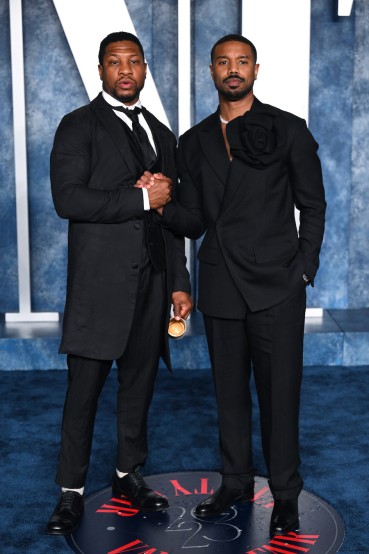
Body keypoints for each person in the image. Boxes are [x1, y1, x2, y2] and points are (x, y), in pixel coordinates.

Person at [159, 34, 326, 536]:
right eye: (223, 62)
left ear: (256, 69)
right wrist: (161, 203)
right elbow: (192, 220)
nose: (233, 70)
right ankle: (234, 482)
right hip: (222, 282)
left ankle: (286, 494)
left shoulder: (289, 129)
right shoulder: (193, 142)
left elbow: (312, 205)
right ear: (210, 71)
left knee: (281, 395)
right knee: (228, 393)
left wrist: (304, 268)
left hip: (278, 283)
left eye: (242, 62)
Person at [46, 31, 192, 536]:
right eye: (115, 63)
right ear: (101, 70)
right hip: (99, 285)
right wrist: (137, 201)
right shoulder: (76, 126)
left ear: (146, 69)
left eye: (133, 62)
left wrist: (178, 283)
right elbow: (69, 200)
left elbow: (170, 219)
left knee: (138, 387)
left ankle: (129, 474)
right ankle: (70, 491)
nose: (125, 70)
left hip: (152, 285)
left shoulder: (161, 134)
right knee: (82, 392)